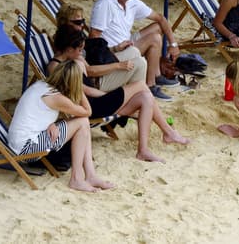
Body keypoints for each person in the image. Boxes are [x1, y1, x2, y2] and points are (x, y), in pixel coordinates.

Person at [48, 30, 190, 162]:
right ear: (68, 49)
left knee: (146, 97)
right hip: (91, 107)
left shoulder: (74, 60)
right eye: (79, 50)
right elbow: (84, 91)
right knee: (141, 85)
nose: (81, 53)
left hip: (98, 101)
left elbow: (88, 77)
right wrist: (111, 96)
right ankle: (169, 132)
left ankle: (143, 150)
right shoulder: (56, 67)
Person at [7, 60, 114, 192]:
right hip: (28, 148)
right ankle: (77, 179)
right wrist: (80, 89)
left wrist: (50, 123)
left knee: (82, 122)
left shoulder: (42, 85)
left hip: (20, 141)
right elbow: (87, 111)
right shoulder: (57, 98)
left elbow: (37, 113)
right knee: (82, 121)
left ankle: (90, 176)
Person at [89, 0, 180, 100]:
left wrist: (173, 44)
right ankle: (150, 84)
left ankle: (157, 75)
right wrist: (112, 50)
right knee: (154, 39)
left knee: (158, 27)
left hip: (126, 42)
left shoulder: (132, 3)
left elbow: (161, 18)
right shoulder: (105, 3)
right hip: (112, 52)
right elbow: (93, 37)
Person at [54, 3, 147, 92]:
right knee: (140, 63)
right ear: (65, 23)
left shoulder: (75, 36)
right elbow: (89, 71)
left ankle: (135, 92)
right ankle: (137, 95)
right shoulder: (70, 44)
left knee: (134, 51)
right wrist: (118, 65)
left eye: (83, 21)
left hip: (99, 67)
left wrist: (115, 48)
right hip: (97, 81)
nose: (82, 25)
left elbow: (92, 54)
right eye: (78, 22)